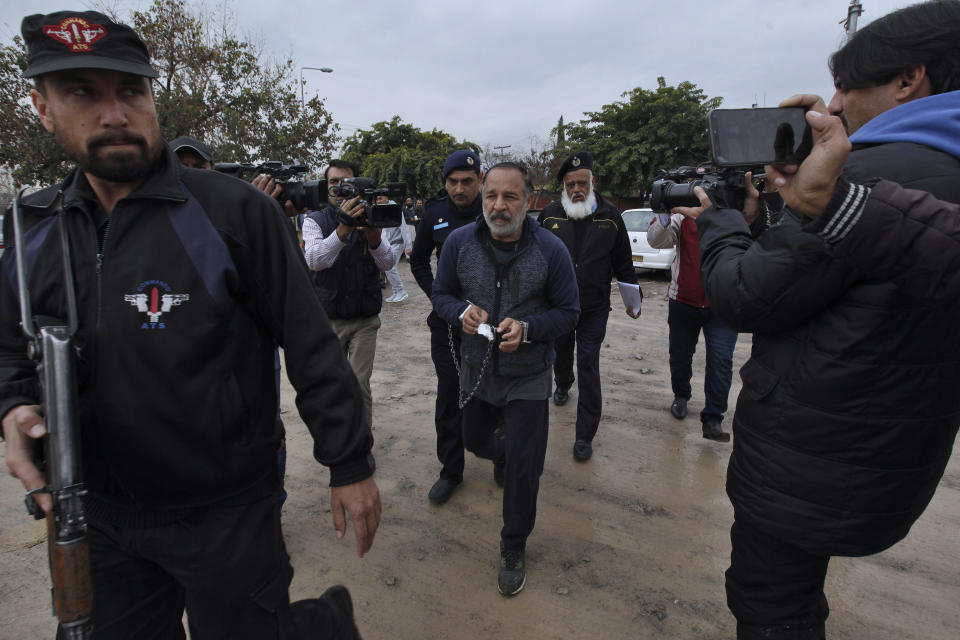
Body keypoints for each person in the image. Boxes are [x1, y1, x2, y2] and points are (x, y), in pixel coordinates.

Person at [1, 12, 379, 638]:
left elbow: (312, 346)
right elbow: (10, 348)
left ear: (153, 97)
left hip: (227, 512)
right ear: (43, 108)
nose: (114, 113)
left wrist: (350, 464)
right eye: (82, 94)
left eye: (130, 91)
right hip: (98, 515)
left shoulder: (235, 214)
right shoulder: (32, 230)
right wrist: (14, 405)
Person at [674, 3, 960, 637]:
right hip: (893, 457)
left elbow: (747, 295)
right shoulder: (941, 167)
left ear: (908, 81)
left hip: (806, 464)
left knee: (772, 606)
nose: (833, 102)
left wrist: (723, 223)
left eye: (845, 87)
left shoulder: (875, 176)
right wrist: (788, 208)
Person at [431, 162, 579, 596]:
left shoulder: (551, 250)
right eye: (491, 195)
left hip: (529, 375)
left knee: (523, 468)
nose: (499, 205)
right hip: (477, 371)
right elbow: (441, 294)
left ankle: (513, 544)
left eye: (510, 196)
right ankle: (500, 454)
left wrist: (529, 330)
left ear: (528, 201)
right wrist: (459, 312)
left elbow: (570, 312)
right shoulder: (459, 243)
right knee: (475, 441)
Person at [537, 151, 640, 461]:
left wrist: (631, 300)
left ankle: (584, 435)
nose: (576, 189)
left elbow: (623, 262)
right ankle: (563, 382)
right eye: (570, 184)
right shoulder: (550, 215)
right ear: (564, 187)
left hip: (595, 307)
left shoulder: (611, 216)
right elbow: (536, 259)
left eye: (582, 183)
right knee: (562, 354)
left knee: (589, 363)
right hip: (560, 308)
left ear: (593, 182)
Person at [410, 149, 488, 505]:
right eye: (453, 182)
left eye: (467, 181)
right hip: (447, 325)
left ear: (480, 181)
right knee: (449, 397)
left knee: (494, 397)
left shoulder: (495, 210)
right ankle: (451, 470)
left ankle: (500, 456)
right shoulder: (435, 213)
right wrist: (439, 299)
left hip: (490, 323)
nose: (460, 189)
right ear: (445, 183)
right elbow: (419, 262)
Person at [302, 160, 395, 426]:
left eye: (346, 183)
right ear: (326, 186)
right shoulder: (315, 219)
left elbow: (388, 263)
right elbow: (315, 260)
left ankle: (360, 445)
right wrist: (343, 229)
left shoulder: (372, 215)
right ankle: (335, 440)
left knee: (358, 384)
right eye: (334, 182)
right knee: (330, 385)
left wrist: (374, 237)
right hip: (328, 319)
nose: (340, 188)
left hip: (364, 319)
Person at [646, 210, 738, 442]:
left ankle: (713, 418)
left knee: (721, 360)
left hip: (723, 303)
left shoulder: (733, 215)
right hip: (683, 301)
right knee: (680, 356)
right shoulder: (682, 218)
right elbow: (656, 240)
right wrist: (666, 213)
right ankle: (681, 396)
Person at [379, 195, 412, 302]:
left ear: (387, 197)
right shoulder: (382, 209)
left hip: (397, 243)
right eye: (377, 199)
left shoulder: (395, 208)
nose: (378, 201)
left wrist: (408, 246)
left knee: (391, 267)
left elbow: (403, 228)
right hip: (388, 243)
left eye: (381, 198)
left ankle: (401, 291)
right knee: (388, 268)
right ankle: (396, 292)